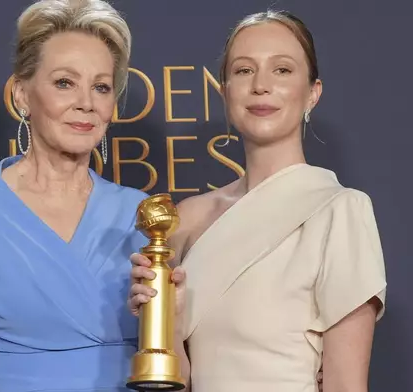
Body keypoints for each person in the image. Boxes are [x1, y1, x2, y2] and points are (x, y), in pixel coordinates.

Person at [128, 10, 387, 392]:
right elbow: (177, 381)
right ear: (225, 91)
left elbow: (346, 384)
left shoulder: (340, 211)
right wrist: (165, 323)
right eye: (244, 70)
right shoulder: (186, 219)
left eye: (282, 70)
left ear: (312, 93)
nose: (261, 85)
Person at [0, 1, 150, 391]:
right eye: (65, 82)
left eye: (101, 87)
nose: (86, 102)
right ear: (21, 94)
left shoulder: (141, 213)